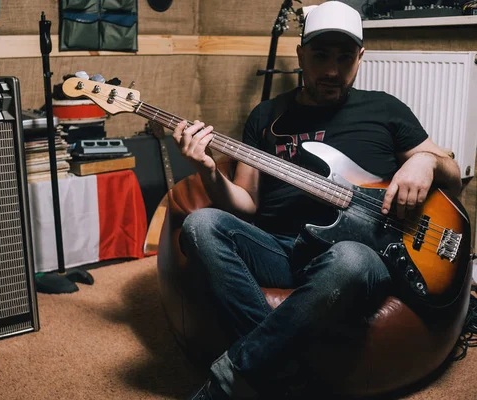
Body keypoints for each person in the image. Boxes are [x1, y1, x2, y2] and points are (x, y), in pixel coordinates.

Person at [172, 1, 463, 399]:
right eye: (321, 55)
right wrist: (207, 170)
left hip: (356, 259)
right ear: (300, 54)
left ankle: (231, 380)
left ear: (361, 58)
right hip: (280, 249)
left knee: (350, 257)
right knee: (200, 225)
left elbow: (452, 175)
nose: (331, 70)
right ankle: (280, 374)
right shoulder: (266, 116)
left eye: (345, 58)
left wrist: (427, 162)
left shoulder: (385, 109)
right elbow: (246, 203)